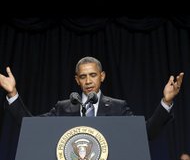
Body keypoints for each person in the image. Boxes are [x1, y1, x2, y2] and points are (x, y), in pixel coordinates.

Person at [0, 56, 184, 140]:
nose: (88, 81)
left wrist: (166, 102)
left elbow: (146, 133)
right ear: (77, 80)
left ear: (102, 76)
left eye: (93, 75)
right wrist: (12, 94)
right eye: (83, 77)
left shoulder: (118, 108)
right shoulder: (64, 108)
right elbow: (30, 127)